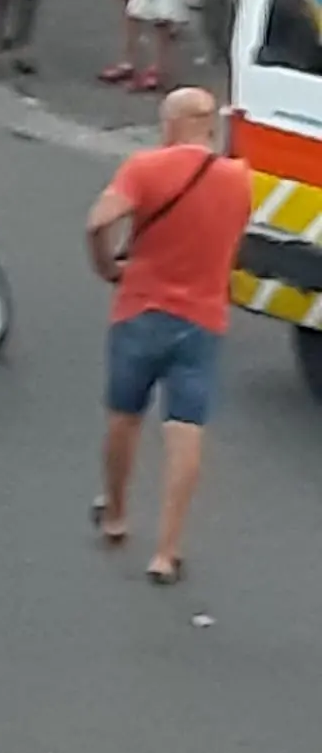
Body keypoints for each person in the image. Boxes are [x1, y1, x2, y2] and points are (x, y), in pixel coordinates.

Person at [83, 87, 251, 584]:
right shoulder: (239, 180)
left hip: (140, 309)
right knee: (185, 429)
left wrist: (105, 263)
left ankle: (115, 514)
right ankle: (167, 550)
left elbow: (98, 221)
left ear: (173, 123)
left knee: (124, 417)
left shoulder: (145, 168)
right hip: (202, 319)